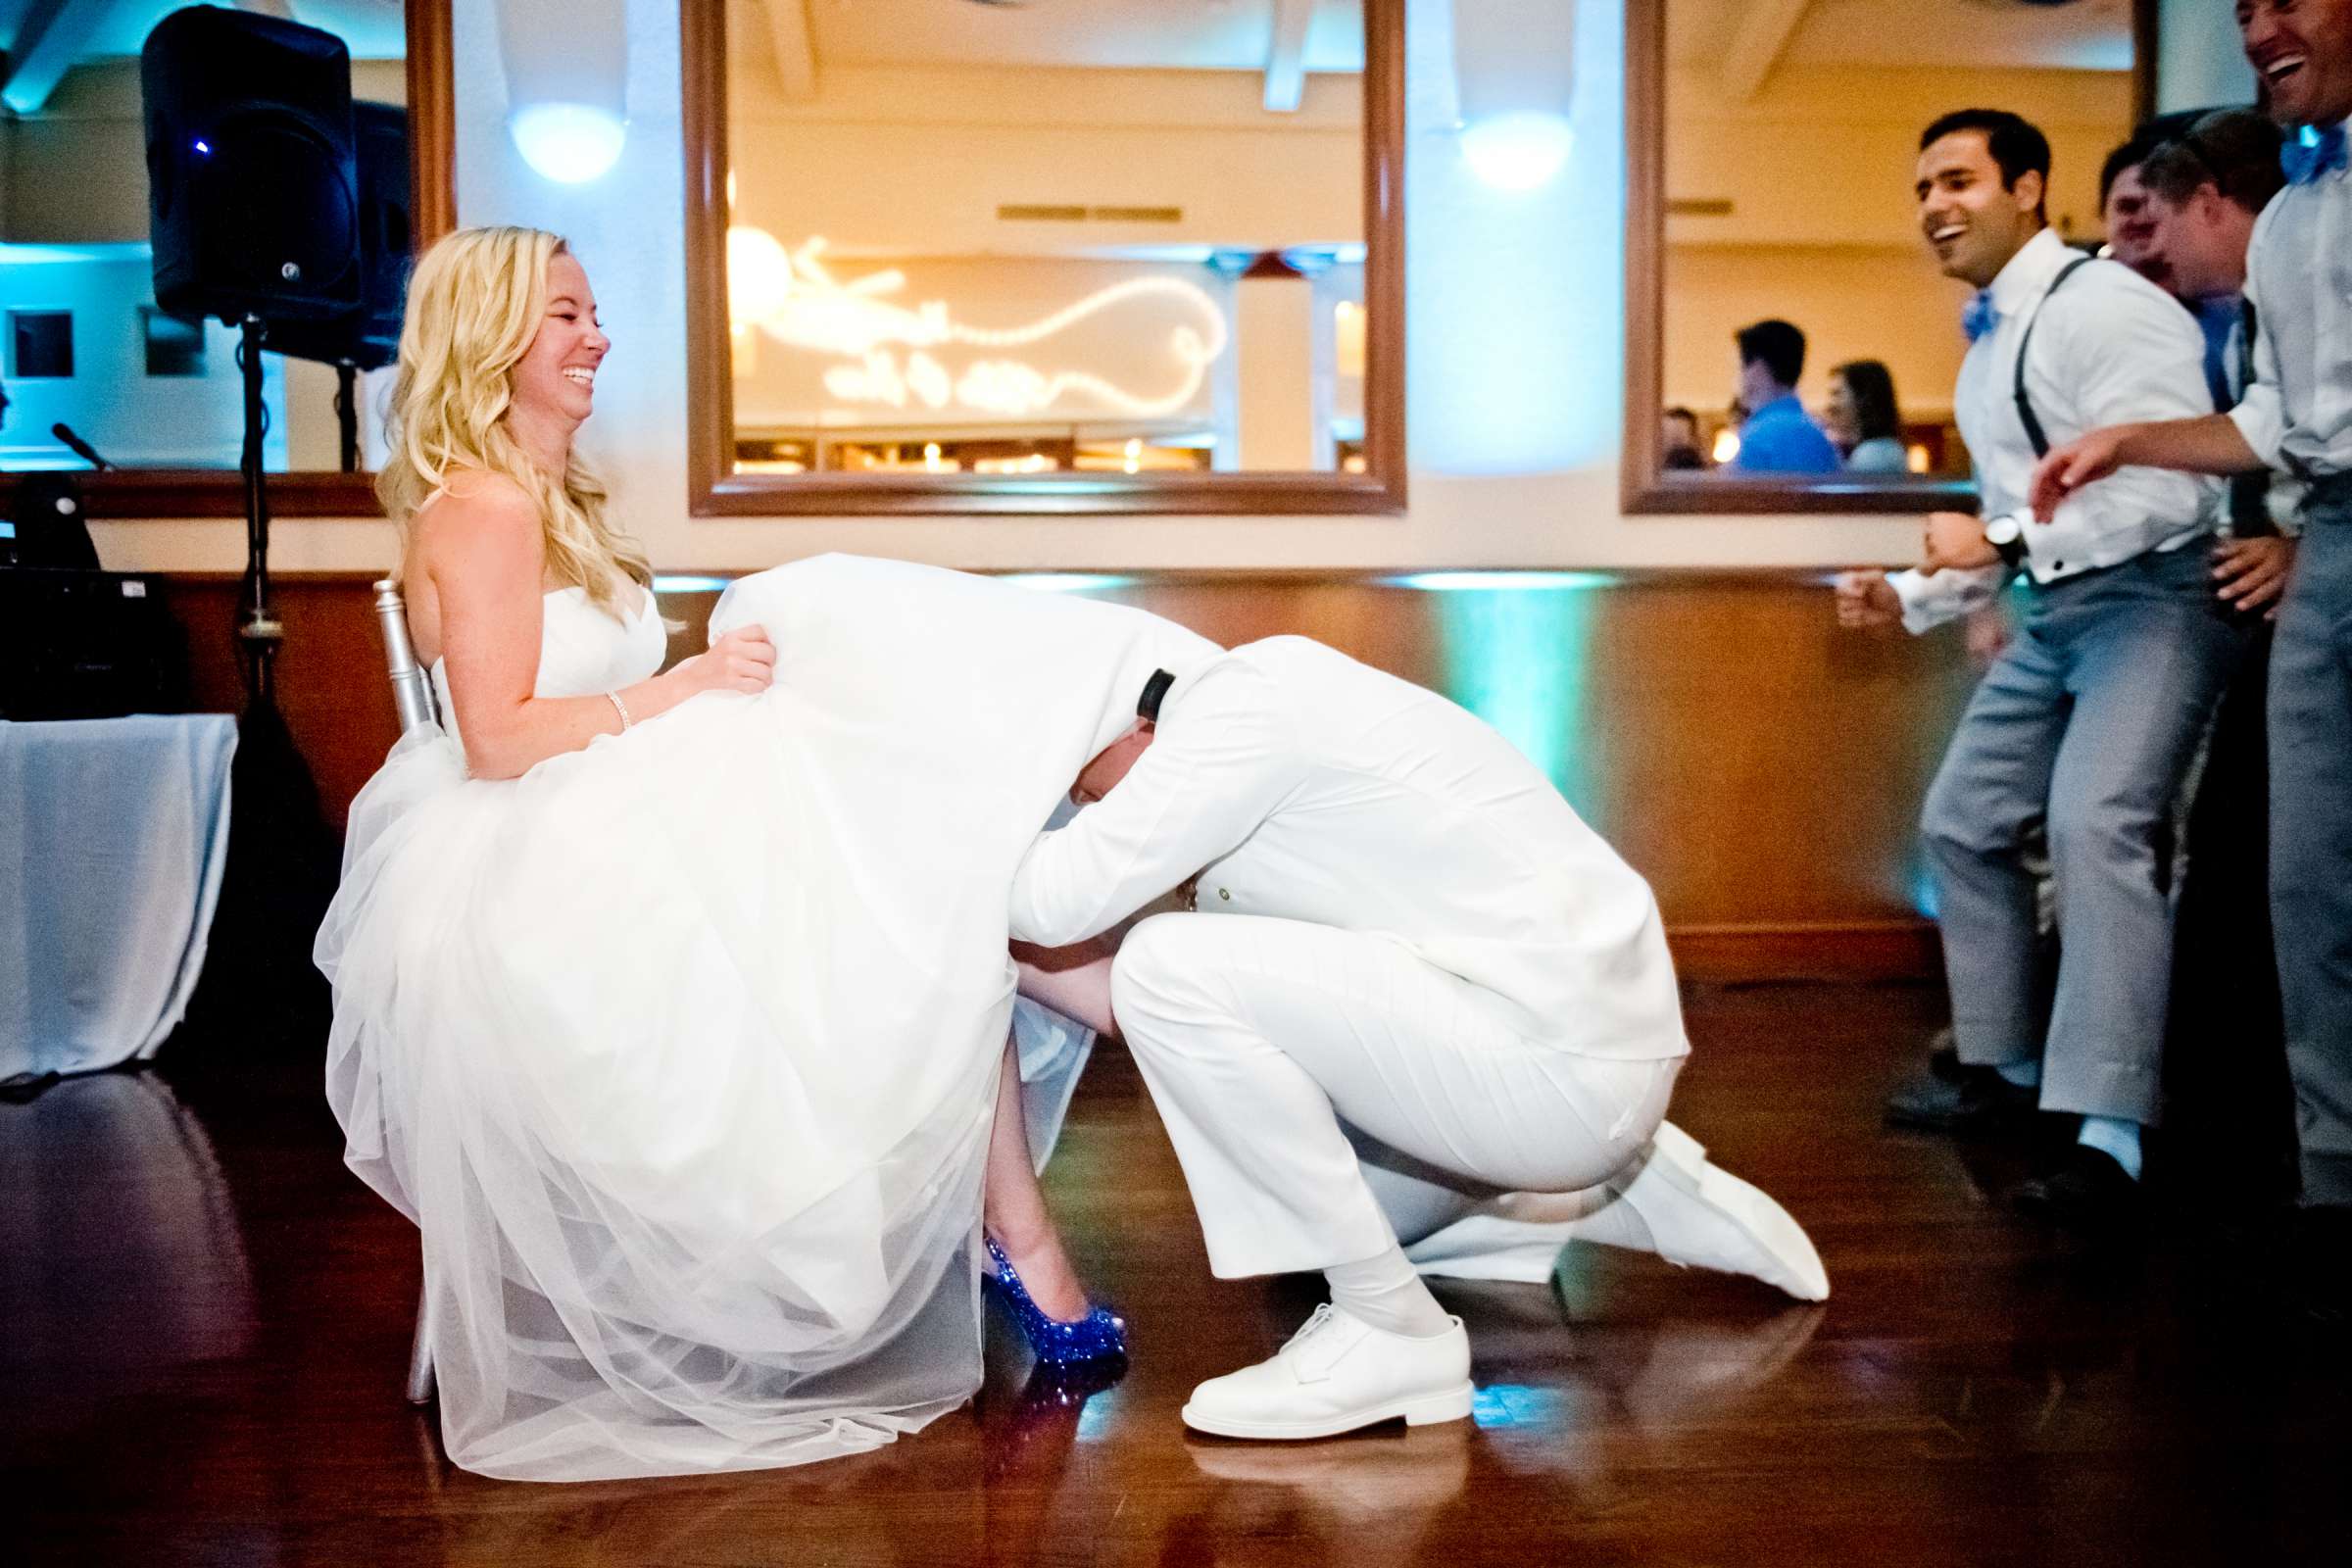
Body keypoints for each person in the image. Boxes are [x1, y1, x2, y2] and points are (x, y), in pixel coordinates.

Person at [318, 227, 1207, 1480]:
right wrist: (682, 690)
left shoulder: (547, 502)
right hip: (538, 875)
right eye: (567, 316)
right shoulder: (485, 509)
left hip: (609, 816)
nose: (597, 340)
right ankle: (1127, 1008)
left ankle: (1094, 1050)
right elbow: (500, 742)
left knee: (889, 813)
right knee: (904, 865)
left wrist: (703, 699)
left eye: (592, 313)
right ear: (493, 336)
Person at [1002, 637, 1830, 1442]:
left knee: (1166, 965)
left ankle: (1392, 1330)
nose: (1094, 809)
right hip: (1561, 1065)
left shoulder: (1241, 717)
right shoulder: (1261, 713)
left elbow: (1056, 906)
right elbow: (1137, 1010)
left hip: (1565, 1077)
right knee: (1294, 1199)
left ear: (1132, 729)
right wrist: (989, 947)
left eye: (1084, 787)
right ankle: (1554, 1197)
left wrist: (910, 871)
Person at [1833, 108, 2242, 1235]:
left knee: (2095, 822)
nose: (1934, 206)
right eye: (1922, 188)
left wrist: (2004, 545)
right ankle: (2006, 1071)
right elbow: (2014, 520)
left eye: (1957, 180)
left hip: (2158, 603)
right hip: (2061, 610)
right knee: (1964, 819)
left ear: (2029, 186)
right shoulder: (1987, 348)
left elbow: (2171, 486)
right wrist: (1909, 593)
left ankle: (2111, 1133)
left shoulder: (2105, 306)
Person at [2031, 0, 2352, 1315]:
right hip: (2330, 537)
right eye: (2245, 9)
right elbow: (2281, 420)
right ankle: (2335, 1197)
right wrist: (2127, 442)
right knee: (2310, 883)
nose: (2263, 26)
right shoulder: (2297, 221)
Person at [1726, 319, 1841, 473]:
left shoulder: (1758, 437)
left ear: (1757, 369)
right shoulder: (1818, 434)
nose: (1737, 379)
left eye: (1740, 368)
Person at [1825, 360, 1910, 473]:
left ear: (1862, 399)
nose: (1829, 405)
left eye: (1837, 394)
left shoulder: (1873, 456)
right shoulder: (1884, 448)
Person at [1662, 405, 1708, 469]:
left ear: (1693, 438)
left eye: (1678, 436)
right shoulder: (1651, 464)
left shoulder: (1696, 464)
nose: (1670, 443)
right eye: (1667, 435)